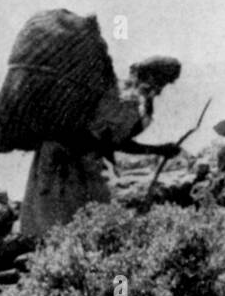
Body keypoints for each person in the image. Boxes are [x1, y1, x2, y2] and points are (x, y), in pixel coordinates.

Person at [20, 55, 182, 240]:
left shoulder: (128, 93)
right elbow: (117, 143)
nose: (162, 90)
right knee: (74, 216)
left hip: (65, 154)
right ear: (152, 78)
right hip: (69, 160)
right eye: (164, 82)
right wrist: (159, 149)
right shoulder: (129, 101)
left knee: (65, 216)